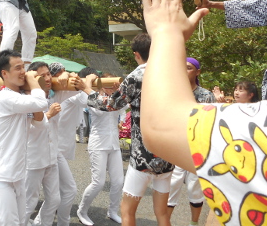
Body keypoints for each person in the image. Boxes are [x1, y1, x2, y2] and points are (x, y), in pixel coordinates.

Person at [138, 0, 267, 225]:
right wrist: (212, 4)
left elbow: (160, 124)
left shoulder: (266, 135)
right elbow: (250, 6)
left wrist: (166, 34)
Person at [90, 33, 174, 226]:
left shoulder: (135, 76)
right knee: (162, 213)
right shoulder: (172, 72)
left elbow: (111, 104)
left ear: (136, 54)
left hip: (143, 154)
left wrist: (89, 91)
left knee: (127, 211)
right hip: (167, 153)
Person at [0, 50, 48, 226]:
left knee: (21, 222)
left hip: (18, 174)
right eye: (18, 68)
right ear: (4, 73)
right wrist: (34, 82)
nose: (23, 72)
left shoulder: (20, 98)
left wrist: (30, 90)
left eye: (24, 68)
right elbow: (42, 103)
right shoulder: (5, 97)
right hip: (0, 176)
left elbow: (41, 124)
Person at [166, 57, 214, 226]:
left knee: (195, 190)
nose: (184, 71)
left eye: (188, 68)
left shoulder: (206, 95)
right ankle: (165, 222)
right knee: (171, 187)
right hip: (176, 148)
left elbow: (210, 123)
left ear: (197, 72)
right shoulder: (173, 93)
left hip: (198, 148)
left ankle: (194, 223)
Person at [51, 66, 98, 226]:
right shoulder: (71, 93)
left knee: (56, 190)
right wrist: (88, 83)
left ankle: (46, 217)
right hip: (56, 146)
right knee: (66, 189)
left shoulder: (69, 92)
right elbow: (88, 101)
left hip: (62, 145)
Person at [77, 74, 125, 225]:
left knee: (118, 181)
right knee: (98, 182)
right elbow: (101, 108)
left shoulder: (116, 99)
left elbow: (123, 107)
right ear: (101, 85)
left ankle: (112, 211)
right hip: (98, 144)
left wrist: (119, 93)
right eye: (108, 84)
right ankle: (82, 211)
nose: (111, 87)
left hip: (114, 144)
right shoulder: (92, 98)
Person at [24, 61, 61, 226]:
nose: (47, 78)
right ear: (33, 78)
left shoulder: (53, 95)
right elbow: (31, 126)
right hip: (33, 158)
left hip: (51, 155)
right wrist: (49, 114)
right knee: (28, 203)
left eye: (48, 74)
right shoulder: (26, 98)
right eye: (42, 75)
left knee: (55, 199)